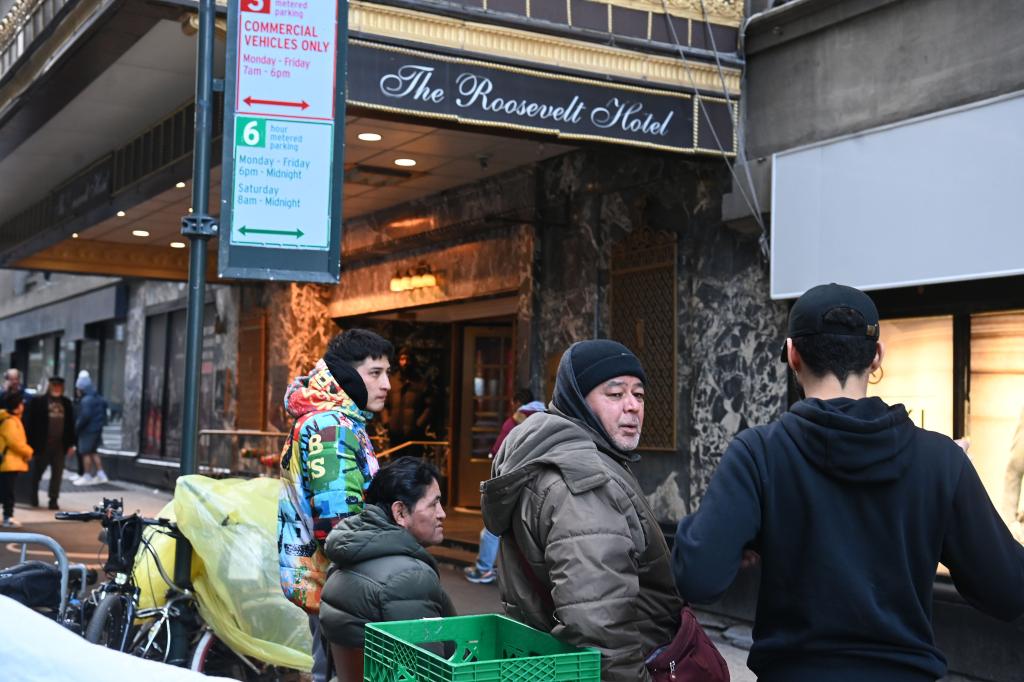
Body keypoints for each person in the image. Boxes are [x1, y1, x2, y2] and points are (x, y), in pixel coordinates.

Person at [672, 283, 1024, 682]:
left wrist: (738, 539)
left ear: (792, 354)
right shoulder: (940, 459)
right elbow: (1008, 589)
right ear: (877, 357)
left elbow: (697, 577)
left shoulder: (758, 453)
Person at [481, 340, 682, 682]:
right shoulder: (582, 483)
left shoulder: (546, 452)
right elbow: (601, 629)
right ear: (577, 400)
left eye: (639, 395)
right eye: (615, 394)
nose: (633, 406)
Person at [276, 329, 392, 682]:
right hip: (336, 582)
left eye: (388, 373)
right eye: (375, 373)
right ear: (344, 373)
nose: (386, 384)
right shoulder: (331, 428)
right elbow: (341, 530)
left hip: (330, 581)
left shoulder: (331, 420)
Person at [320, 456, 455, 681]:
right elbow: (426, 672)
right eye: (434, 503)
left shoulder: (345, 558)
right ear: (400, 512)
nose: (442, 513)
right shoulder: (409, 577)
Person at [464, 388, 546, 585]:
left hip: (511, 480)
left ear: (517, 401)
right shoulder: (548, 419)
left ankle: (484, 569)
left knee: (492, 526)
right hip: (541, 481)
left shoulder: (513, 422)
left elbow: (497, 450)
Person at [24, 376, 75, 510]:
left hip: (60, 445)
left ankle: (53, 499)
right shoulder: (38, 402)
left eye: (59, 386)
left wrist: (71, 444)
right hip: (42, 444)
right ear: (49, 386)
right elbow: (30, 424)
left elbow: (70, 425)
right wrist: (29, 443)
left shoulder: (66, 403)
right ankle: (32, 496)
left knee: (57, 474)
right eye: (54, 386)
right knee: (37, 472)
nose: (57, 388)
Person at [384, 347, 434, 457]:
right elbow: (384, 403)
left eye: (407, 359)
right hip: (395, 434)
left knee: (412, 466)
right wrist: (387, 422)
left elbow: (429, 406)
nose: (405, 363)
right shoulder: (392, 381)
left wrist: (419, 424)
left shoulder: (421, 382)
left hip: (414, 435)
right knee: (396, 466)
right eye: (402, 359)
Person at [0, 391, 33, 527]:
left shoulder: (9, 419)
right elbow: (16, 443)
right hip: (9, 462)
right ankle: (8, 517)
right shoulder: (11, 422)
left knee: (6, 491)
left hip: (8, 462)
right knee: (8, 492)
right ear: (18, 406)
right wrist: (29, 452)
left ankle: (8, 516)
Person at [72, 371, 109, 486]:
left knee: (86, 453)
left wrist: (77, 427)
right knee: (94, 452)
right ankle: (101, 474)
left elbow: (85, 416)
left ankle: (87, 475)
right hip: (97, 429)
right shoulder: (98, 398)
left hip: (88, 430)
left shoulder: (86, 400)